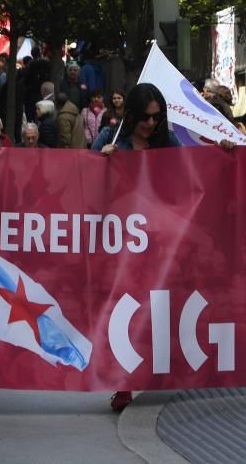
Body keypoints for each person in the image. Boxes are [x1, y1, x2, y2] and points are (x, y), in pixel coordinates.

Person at [91, 83, 179, 413]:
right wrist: (102, 160)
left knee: (154, 312)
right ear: (131, 115)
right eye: (145, 117)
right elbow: (88, 178)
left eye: (157, 117)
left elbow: (196, 170)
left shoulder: (168, 142)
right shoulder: (111, 139)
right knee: (123, 311)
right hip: (121, 245)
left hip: (159, 242)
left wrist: (222, 152)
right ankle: (123, 383)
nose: (151, 124)